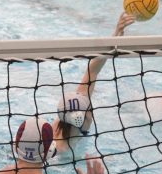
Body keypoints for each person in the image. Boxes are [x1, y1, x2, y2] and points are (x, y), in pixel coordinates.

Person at [52, 12, 135, 153]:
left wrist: (117, 33)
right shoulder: (61, 150)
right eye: (89, 111)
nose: (92, 114)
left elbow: (93, 70)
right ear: (80, 120)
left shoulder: (72, 110)